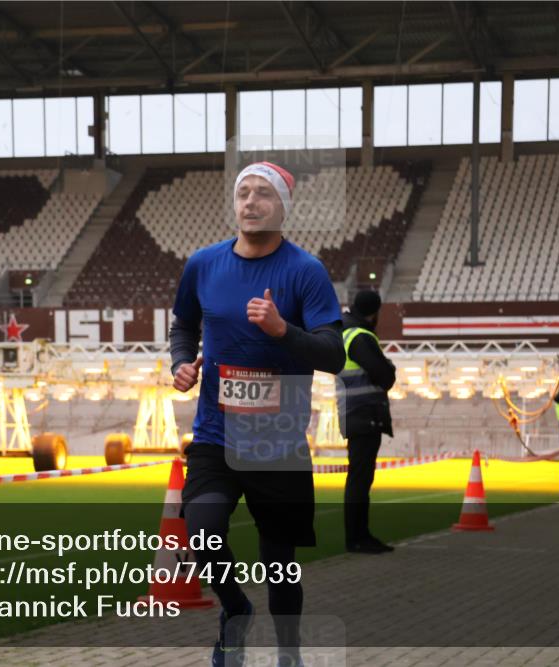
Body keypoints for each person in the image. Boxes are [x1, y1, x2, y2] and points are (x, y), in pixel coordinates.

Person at [170, 161, 344, 667]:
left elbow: (333, 354)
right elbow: (183, 326)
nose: (249, 202)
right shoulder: (203, 264)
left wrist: (281, 331)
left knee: (280, 565)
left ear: (282, 207)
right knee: (201, 532)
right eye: (242, 192)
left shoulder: (305, 271)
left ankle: (289, 655)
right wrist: (182, 364)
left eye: (262, 193)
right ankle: (235, 609)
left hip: (279, 443)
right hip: (214, 434)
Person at [337, 289, 397, 553]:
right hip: (364, 414)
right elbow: (385, 375)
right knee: (360, 480)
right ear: (373, 312)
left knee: (359, 478)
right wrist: (390, 367)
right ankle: (358, 538)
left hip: (355, 413)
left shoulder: (346, 331)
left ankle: (359, 535)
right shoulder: (360, 336)